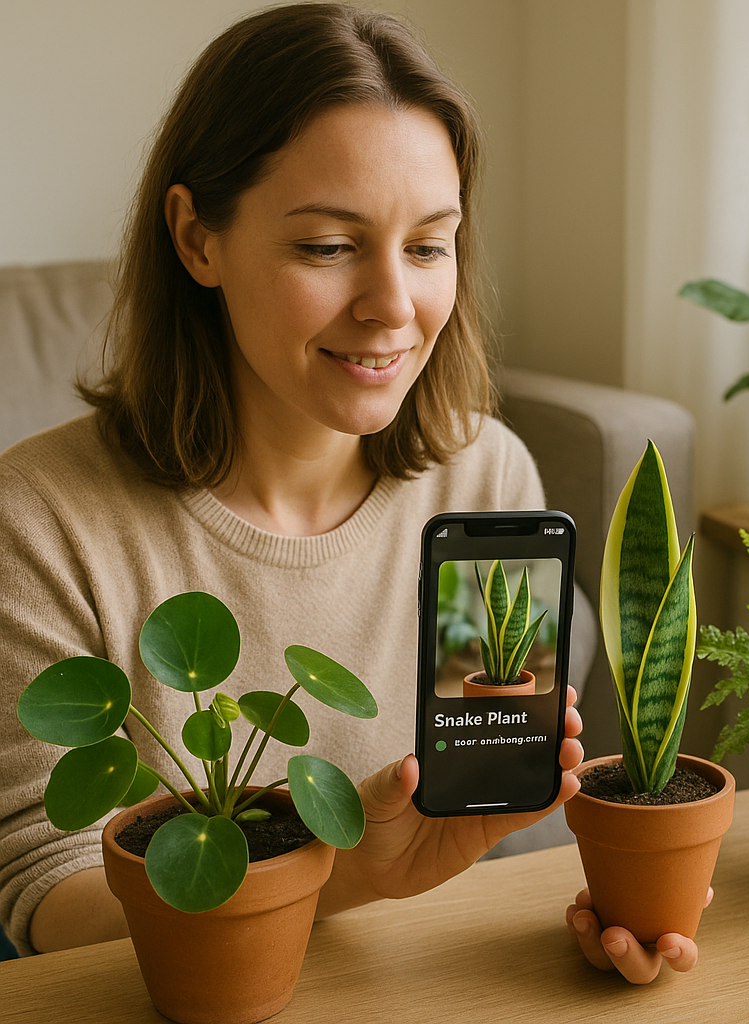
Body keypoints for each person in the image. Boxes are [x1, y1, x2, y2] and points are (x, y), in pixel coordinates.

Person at [0, 3, 703, 983]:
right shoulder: (38, 519)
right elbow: (46, 897)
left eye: (427, 245)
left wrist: (604, 897)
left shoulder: (486, 475)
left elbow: (480, 801)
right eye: (328, 246)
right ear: (196, 238)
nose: (392, 305)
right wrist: (346, 875)